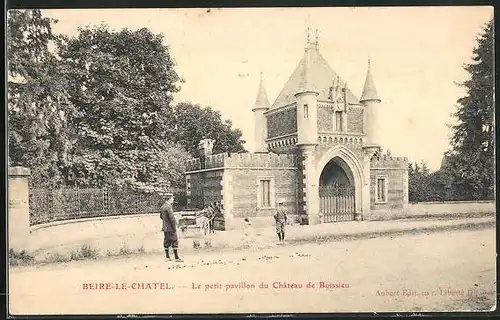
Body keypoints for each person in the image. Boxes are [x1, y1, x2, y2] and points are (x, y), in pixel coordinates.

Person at [160, 193, 183, 262]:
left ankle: (167, 257)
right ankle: (176, 258)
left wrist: (165, 223)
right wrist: (175, 226)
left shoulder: (162, 207)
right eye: (172, 198)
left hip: (165, 228)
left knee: (166, 242)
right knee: (174, 241)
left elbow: (161, 216)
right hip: (170, 228)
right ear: (169, 199)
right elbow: (172, 218)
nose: (173, 200)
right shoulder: (169, 207)